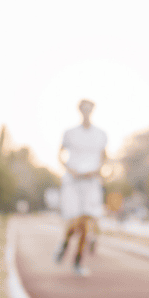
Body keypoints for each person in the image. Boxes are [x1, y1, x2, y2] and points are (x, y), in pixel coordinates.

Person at [56, 99, 108, 276]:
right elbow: (60, 155)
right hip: (72, 182)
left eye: (89, 108)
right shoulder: (70, 133)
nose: (86, 111)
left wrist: (97, 170)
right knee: (75, 221)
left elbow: (104, 157)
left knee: (86, 222)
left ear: (93, 110)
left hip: (91, 182)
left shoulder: (101, 134)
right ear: (79, 110)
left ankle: (78, 261)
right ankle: (64, 242)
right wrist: (70, 169)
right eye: (83, 109)